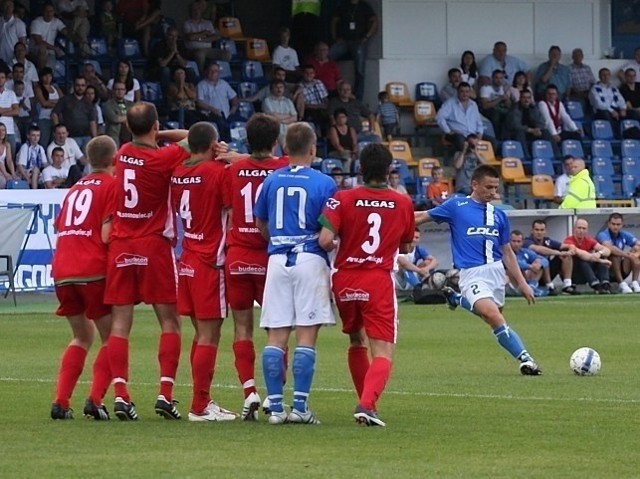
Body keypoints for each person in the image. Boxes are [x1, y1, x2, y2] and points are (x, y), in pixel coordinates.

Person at [104, 102, 191, 421]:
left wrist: (146, 130)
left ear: (128, 127)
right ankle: (165, 395)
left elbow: (137, 135)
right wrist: (161, 132)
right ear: (154, 126)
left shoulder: (123, 151)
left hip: (122, 245)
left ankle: (122, 396)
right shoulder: (162, 157)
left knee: (120, 324)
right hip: (154, 245)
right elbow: (194, 135)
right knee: (170, 321)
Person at [318, 143, 414, 426]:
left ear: (360, 169)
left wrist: (340, 241)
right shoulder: (402, 202)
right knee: (383, 350)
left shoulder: (342, 197)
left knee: (356, 339)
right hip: (377, 279)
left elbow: (325, 240)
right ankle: (367, 405)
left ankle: (365, 402)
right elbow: (406, 246)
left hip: (345, 278)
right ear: (389, 171)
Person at [415, 165, 542, 376]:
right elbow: (422, 217)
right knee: (492, 315)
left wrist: (521, 282)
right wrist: (392, 218)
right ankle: (526, 360)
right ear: (474, 184)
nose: (493, 193)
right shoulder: (457, 205)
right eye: (489, 188)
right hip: (472, 273)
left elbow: (507, 251)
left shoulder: (499, 215)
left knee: (490, 316)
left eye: (495, 188)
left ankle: (456, 299)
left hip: (496, 273)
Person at [253, 122, 337, 425]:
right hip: (310, 260)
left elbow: (260, 223)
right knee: (305, 336)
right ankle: (300, 407)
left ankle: (275, 409)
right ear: (313, 148)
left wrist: (278, 241)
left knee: (275, 337)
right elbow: (329, 227)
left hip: (277, 261)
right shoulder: (324, 182)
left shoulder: (271, 181)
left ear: (285, 149)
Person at [169, 121, 237, 422]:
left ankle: (203, 400)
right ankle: (199, 406)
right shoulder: (218, 173)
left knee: (200, 334)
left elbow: (189, 142)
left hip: (187, 261)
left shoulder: (178, 172)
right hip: (211, 262)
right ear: (213, 146)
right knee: (210, 335)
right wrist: (231, 155)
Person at [223, 113, 289, 421]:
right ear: (275, 141)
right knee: (278, 330)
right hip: (269, 258)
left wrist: (237, 156)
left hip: (237, 257)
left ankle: (249, 391)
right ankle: (274, 396)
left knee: (241, 328)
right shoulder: (283, 168)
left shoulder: (233, 169)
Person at [50, 135, 118, 421]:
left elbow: (61, 226)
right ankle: (95, 399)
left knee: (81, 335)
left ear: (88, 160)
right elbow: (106, 233)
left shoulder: (75, 188)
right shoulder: (112, 186)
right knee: (114, 336)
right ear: (114, 160)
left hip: (63, 269)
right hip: (92, 268)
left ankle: (61, 402)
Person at [329, 0, 378, 100]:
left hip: (358, 42)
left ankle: (357, 99)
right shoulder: (343, 5)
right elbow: (334, 21)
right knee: (326, 57)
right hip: (343, 41)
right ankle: (328, 92)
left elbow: (375, 20)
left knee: (360, 71)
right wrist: (335, 37)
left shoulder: (364, 6)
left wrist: (366, 37)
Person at [524, 219, 579, 295]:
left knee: (566, 255)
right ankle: (547, 287)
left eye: (542, 230)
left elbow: (568, 246)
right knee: (541, 261)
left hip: (548, 273)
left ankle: (567, 285)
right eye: (537, 230)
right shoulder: (527, 241)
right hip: (533, 274)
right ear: (532, 231)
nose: (539, 232)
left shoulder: (548, 241)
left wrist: (571, 249)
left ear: (545, 231)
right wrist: (559, 253)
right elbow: (540, 249)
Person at [436, 82, 493, 152]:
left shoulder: (473, 104)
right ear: (457, 92)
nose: (465, 94)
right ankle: (468, 158)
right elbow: (439, 117)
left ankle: (482, 160)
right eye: (462, 91)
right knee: (461, 141)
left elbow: (479, 121)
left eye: (467, 92)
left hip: (472, 134)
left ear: (470, 93)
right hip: (457, 134)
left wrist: (480, 133)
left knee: (493, 142)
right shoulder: (450, 103)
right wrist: (448, 131)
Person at [563, 218, 612, 293]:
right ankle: (595, 284)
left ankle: (605, 284)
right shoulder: (569, 240)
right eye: (579, 228)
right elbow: (582, 254)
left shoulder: (588, 240)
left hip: (586, 270)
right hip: (574, 273)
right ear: (574, 229)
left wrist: (599, 253)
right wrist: (600, 260)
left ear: (587, 230)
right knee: (583, 260)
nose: (581, 230)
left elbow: (607, 250)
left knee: (602, 255)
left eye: (584, 228)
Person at [596, 212, 640, 293]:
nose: (615, 227)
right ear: (609, 224)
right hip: (606, 269)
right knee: (614, 254)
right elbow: (610, 248)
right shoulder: (603, 234)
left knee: (636, 249)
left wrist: (635, 255)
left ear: (622, 224)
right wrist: (629, 256)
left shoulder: (624, 234)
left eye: (618, 224)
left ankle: (634, 282)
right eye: (613, 224)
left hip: (622, 268)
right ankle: (621, 284)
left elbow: (638, 244)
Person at [52, 75, 97, 152]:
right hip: (70, 137)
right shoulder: (65, 99)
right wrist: (58, 130)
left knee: (87, 162)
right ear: (74, 85)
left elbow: (92, 121)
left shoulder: (89, 102)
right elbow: (54, 114)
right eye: (78, 85)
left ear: (86, 86)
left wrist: (95, 139)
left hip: (86, 137)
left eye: (82, 85)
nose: (80, 88)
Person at [183, 2, 229, 77]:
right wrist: (204, 33)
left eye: (198, 9)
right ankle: (201, 76)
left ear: (202, 11)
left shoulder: (208, 23)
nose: (196, 11)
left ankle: (220, 75)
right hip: (193, 50)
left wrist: (199, 38)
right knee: (200, 53)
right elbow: (190, 37)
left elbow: (216, 37)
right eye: (194, 9)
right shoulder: (187, 23)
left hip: (208, 49)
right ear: (190, 11)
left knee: (227, 54)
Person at [196, 62, 238, 142]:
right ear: (206, 72)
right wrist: (213, 109)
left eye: (215, 71)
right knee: (222, 124)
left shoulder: (224, 84)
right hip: (210, 114)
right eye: (211, 70)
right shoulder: (201, 85)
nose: (213, 73)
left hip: (227, 114)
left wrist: (234, 107)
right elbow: (199, 103)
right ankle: (225, 144)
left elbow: (234, 97)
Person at [537, 84, 582, 156]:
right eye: (549, 94)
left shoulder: (559, 103)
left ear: (557, 95)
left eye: (553, 94)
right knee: (552, 138)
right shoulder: (542, 104)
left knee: (576, 135)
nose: (551, 96)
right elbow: (548, 120)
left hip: (559, 131)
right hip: (548, 132)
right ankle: (558, 156)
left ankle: (580, 156)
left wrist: (575, 129)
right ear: (546, 95)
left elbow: (565, 117)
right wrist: (554, 134)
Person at [505, 89, 550, 158]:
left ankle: (555, 155)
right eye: (524, 98)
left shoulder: (533, 108)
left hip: (531, 133)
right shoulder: (514, 109)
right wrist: (530, 130)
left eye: (528, 98)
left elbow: (542, 122)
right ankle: (526, 156)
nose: (526, 100)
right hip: (515, 133)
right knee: (520, 132)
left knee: (546, 132)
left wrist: (538, 129)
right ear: (520, 98)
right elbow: (515, 125)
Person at [148, 26, 192, 92]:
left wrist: (177, 53)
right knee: (166, 70)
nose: (173, 39)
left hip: (175, 69)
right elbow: (162, 64)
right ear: (166, 35)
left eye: (175, 36)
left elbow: (184, 64)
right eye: (171, 36)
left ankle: (191, 93)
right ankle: (166, 93)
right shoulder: (160, 45)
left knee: (190, 71)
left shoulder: (180, 44)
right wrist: (172, 52)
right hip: (159, 70)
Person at [29, 3, 68, 70]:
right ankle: (42, 73)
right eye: (47, 11)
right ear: (43, 12)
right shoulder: (36, 22)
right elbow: (39, 41)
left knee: (49, 69)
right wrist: (55, 48)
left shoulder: (56, 21)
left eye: (51, 11)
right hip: (35, 51)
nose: (49, 13)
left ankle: (44, 75)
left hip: (50, 52)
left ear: (54, 12)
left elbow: (66, 31)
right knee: (42, 49)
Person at [34, 67, 62, 148]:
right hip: (44, 118)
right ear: (41, 77)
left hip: (56, 118)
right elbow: (44, 103)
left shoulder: (55, 87)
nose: (48, 78)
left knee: (54, 142)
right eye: (45, 76)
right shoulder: (38, 88)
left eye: (49, 76)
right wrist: (57, 103)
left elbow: (62, 100)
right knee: (44, 142)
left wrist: (51, 102)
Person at [479, 69, 511, 139]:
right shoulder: (486, 88)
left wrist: (506, 96)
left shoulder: (503, 88)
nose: (499, 80)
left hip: (500, 109)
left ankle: (507, 139)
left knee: (511, 115)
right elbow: (485, 106)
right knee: (495, 114)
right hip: (487, 110)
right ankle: (496, 137)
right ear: (492, 78)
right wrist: (500, 98)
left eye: (501, 78)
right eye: (496, 78)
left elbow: (509, 106)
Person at [297, 64, 329, 130]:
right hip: (309, 111)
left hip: (322, 109)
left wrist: (324, 106)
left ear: (314, 74)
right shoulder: (299, 86)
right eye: (307, 73)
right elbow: (305, 105)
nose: (309, 75)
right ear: (303, 74)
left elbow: (325, 99)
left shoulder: (319, 82)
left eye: (311, 73)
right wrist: (319, 106)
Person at [102, 80, 133, 146]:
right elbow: (114, 119)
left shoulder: (131, 104)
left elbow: (135, 118)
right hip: (114, 136)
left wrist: (123, 118)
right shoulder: (107, 105)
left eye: (122, 89)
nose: (120, 91)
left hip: (130, 136)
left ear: (125, 91)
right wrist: (129, 117)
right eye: (117, 89)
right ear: (113, 90)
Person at [17, 125, 47, 189]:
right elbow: (20, 166)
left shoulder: (40, 148)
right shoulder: (25, 147)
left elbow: (45, 164)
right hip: (26, 172)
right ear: (28, 136)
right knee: (35, 170)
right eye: (33, 135)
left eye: (38, 135)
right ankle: (34, 191)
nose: (36, 138)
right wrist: (27, 178)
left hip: (37, 172)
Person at [0, 1, 27, 66]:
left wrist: (20, 57)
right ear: (2, 7)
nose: (8, 7)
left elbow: (22, 42)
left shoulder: (19, 23)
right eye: (6, 5)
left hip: (13, 59)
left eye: (10, 5)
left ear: (13, 8)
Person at [0, 70, 18, 156]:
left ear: (6, 79)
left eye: (2, 77)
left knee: (12, 156)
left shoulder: (11, 93)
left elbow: (16, 111)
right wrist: (9, 109)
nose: (0, 79)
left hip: (9, 130)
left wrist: (1, 112)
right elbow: (13, 109)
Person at [0, 122, 16, 187]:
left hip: (2, 171)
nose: (1, 132)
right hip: (3, 171)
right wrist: (6, 174)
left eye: (3, 130)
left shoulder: (7, 145)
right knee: (3, 181)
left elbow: (9, 161)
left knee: (15, 180)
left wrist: (13, 174)